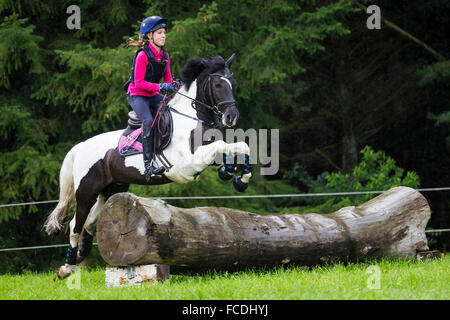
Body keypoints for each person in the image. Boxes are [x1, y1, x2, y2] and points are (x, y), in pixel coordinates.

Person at [124, 16, 176, 181]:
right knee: (147, 121)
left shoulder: (164, 55)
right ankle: (148, 167)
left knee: (171, 109)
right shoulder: (142, 56)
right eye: (159, 33)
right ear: (149, 36)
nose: (163, 36)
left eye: (164, 33)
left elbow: (168, 80)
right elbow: (139, 83)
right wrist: (161, 87)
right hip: (137, 94)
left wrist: (176, 85)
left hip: (152, 94)